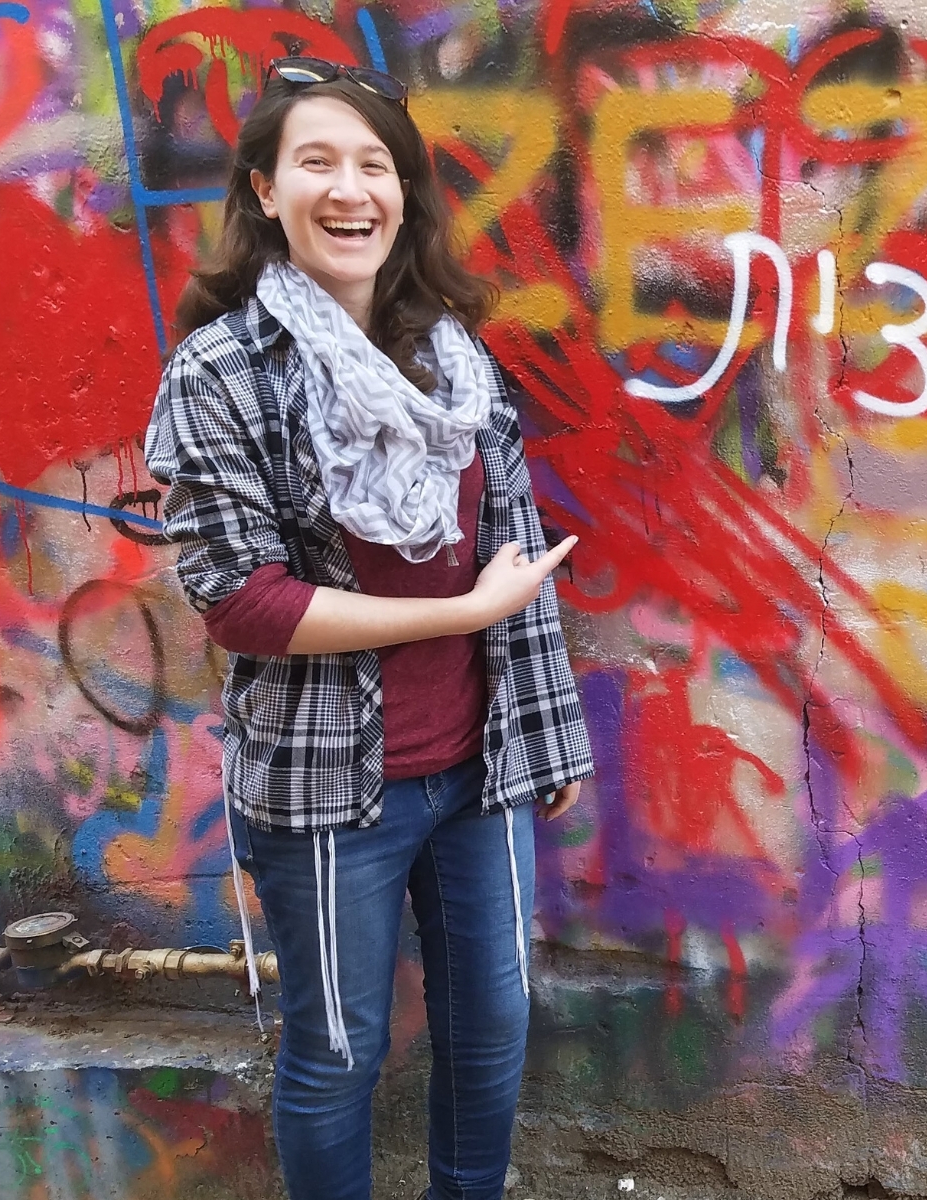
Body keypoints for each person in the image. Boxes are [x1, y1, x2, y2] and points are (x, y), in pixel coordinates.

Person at [144, 56, 592, 1200]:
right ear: (262, 190)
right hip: (330, 786)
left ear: (404, 195)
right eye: (318, 163)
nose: (351, 190)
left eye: (374, 165)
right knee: (337, 1050)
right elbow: (241, 599)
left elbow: (516, 550)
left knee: (493, 1028)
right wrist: (454, 610)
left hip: (479, 770)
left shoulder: (456, 359)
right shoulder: (224, 371)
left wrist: (551, 740)